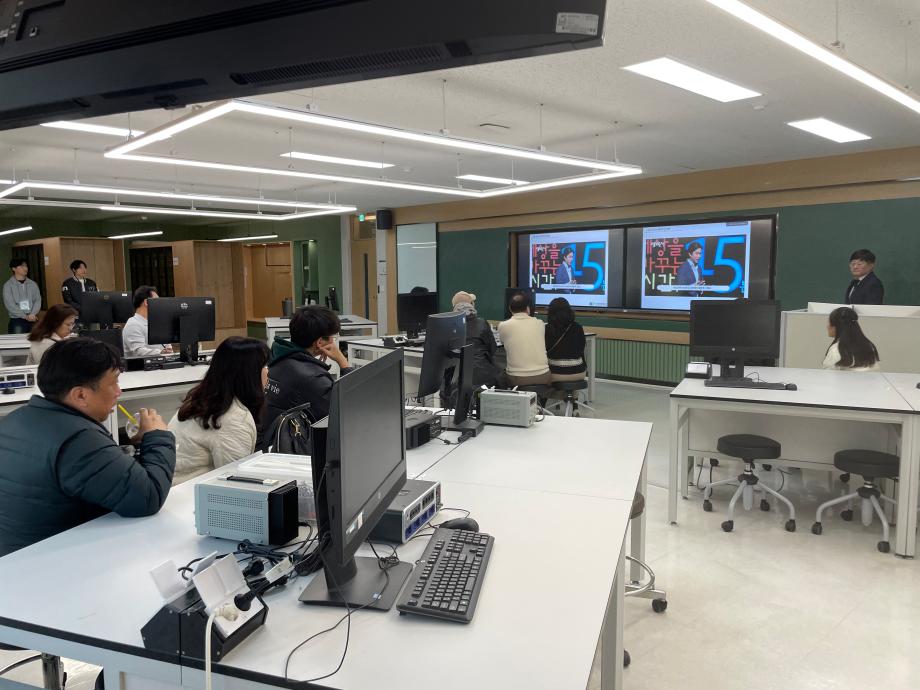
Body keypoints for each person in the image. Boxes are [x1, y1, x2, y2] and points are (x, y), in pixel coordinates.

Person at [0, 338, 175, 557]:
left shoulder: (15, 419)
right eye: (113, 383)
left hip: (16, 556)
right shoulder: (79, 440)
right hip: (54, 563)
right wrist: (158, 436)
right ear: (80, 395)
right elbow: (148, 497)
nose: (118, 391)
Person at [168, 337, 270, 484]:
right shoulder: (232, 418)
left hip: (178, 489)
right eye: (264, 366)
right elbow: (236, 482)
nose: (268, 372)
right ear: (248, 374)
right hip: (190, 494)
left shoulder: (205, 399)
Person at [258, 305, 353, 450]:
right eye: (332, 338)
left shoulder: (280, 358)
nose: (333, 343)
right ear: (320, 343)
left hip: (271, 440)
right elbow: (345, 410)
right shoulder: (312, 378)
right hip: (288, 448)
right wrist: (343, 362)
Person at [440, 291, 503, 405]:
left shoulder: (447, 326)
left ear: (454, 307)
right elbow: (492, 349)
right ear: (472, 305)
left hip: (457, 381)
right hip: (484, 378)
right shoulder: (482, 323)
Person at [497, 292, 551, 386]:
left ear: (510, 309)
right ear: (528, 308)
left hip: (517, 378)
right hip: (543, 376)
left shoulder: (503, 326)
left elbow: (502, 341)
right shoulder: (540, 323)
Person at [823, 306, 880, 371]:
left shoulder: (836, 350)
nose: (827, 326)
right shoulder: (870, 347)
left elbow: (827, 375)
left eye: (829, 322)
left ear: (836, 326)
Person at [122, 285, 172, 357]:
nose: (160, 304)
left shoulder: (158, 323)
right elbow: (138, 351)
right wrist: (161, 352)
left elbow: (167, 346)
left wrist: (168, 350)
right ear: (146, 302)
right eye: (157, 301)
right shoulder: (133, 324)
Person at [545, 297, 587, 382]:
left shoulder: (547, 329)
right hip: (579, 372)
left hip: (555, 373)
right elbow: (581, 349)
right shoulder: (578, 327)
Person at [3, 258, 42, 334]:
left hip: (32, 318)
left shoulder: (33, 284)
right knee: (17, 340)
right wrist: (25, 316)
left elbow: (37, 300)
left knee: (36, 339)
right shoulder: (8, 285)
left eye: (26, 266)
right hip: (17, 319)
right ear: (14, 269)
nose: (25, 268)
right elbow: (10, 305)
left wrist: (32, 314)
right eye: (21, 266)